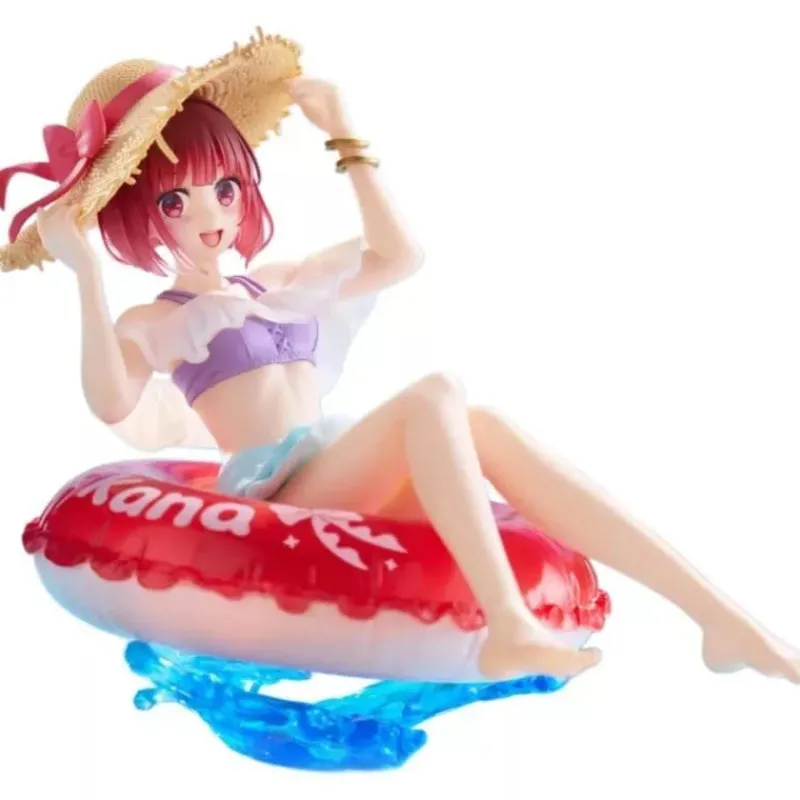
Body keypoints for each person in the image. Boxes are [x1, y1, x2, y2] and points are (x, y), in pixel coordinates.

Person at [1, 28, 798, 685]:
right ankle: (509, 625)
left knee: (483, 423)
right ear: (139, 215)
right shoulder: (156, 320)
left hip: (332, 467)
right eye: (175, 201)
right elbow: (109, 401)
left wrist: (344, 135)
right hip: (279, 495)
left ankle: (719, 617)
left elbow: (398, 255)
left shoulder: (277, 282)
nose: (209, 215)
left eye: (226, 189)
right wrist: (85, 275)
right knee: (437, 391)